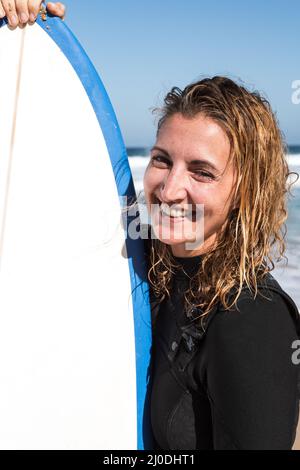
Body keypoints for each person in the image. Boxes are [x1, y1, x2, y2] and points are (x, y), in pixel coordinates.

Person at [3, 0, 300, 450]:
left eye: (201, 171)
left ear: (246, 191)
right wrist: (20, 32)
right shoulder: (151, 273)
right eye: (161, 160)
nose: (169, 187)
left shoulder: (250, 319)